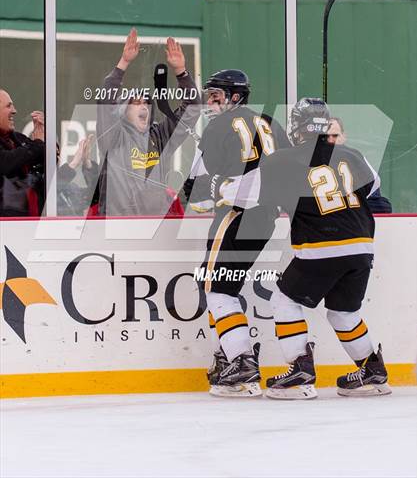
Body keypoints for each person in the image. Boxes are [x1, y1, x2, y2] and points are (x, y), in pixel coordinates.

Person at [217, 98, 391, 399]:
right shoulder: (353, 154)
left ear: (297, 128)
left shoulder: (282, 160)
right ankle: (373, 372)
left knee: (284, 300)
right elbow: (373, 186)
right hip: (362, 247)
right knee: (343, 312)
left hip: (321, 246)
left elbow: (242, 194)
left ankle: (300, 372)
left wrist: (219, 187)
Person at [185, 69, 290, 397]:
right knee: (226, 288)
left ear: (236, 97)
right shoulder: (271, 123)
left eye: (216, 95)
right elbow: (291, 168)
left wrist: (205, 188)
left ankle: (241, 362)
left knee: (216, 289)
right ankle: (228, 357)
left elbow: (194, 183)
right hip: (266, 218)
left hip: (234, 215)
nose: (210, 101)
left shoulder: (218, 126)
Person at [96, 28, 200, 216]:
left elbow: (192, 109)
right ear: (123, 111)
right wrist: (123, 64)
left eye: (146, 103)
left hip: (154, 227)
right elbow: (105, 103)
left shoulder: (160, 137)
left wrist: (181, 72)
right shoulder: (114, 137)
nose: (144, 106)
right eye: (136, 103)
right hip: (118, 227)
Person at [328, 117, 392, 213]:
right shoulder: (309, 160)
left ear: (343, 137)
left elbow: (381, 206)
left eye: (335, 135)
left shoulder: (356, 158)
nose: (331, 140)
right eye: (325, 136)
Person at [0, 89, 45, 217]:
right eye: (9, 106)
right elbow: (6, 162)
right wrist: (38, 144)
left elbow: (46, 155)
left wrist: (44, 137)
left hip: (30, 223)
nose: (14, 111)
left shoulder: (17, 138)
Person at [57, 135, 100, 216]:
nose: (57, 158)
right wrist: (74, 163)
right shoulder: (41, 186)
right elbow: (49, 190)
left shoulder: (71, 189)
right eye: (54, 155)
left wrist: (86, 162)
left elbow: (97, 193)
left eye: (58, 153)